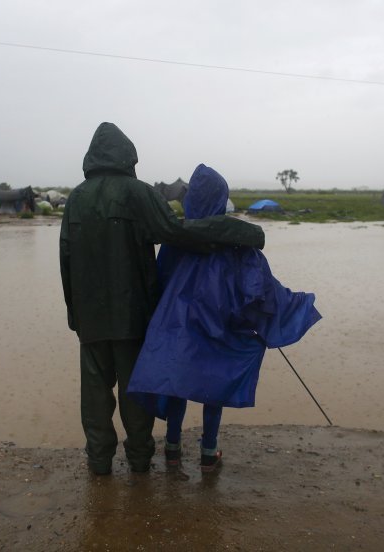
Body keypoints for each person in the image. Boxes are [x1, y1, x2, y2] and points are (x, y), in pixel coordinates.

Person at [59, 123, 265, 475]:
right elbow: (173, 232)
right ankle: (139, 463)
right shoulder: (138, 193)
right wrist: (237, 231)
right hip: (132, 314)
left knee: (94, 394)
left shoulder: (77, 197)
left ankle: (98, 463)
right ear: (128, 155)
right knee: (133, 391)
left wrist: (73, 313)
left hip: (90, 317)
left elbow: (65, 258)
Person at [127, 164, 322, 472]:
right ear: (221, 198)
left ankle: (173, 449)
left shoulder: (176, 240)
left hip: (179, 327)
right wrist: (290, 308)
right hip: (222, 326)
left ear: (191, 200)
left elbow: (158, 281)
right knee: (214, 383)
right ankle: (208, 452)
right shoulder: (238, 243)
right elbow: (258, 287)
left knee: (176, 382)